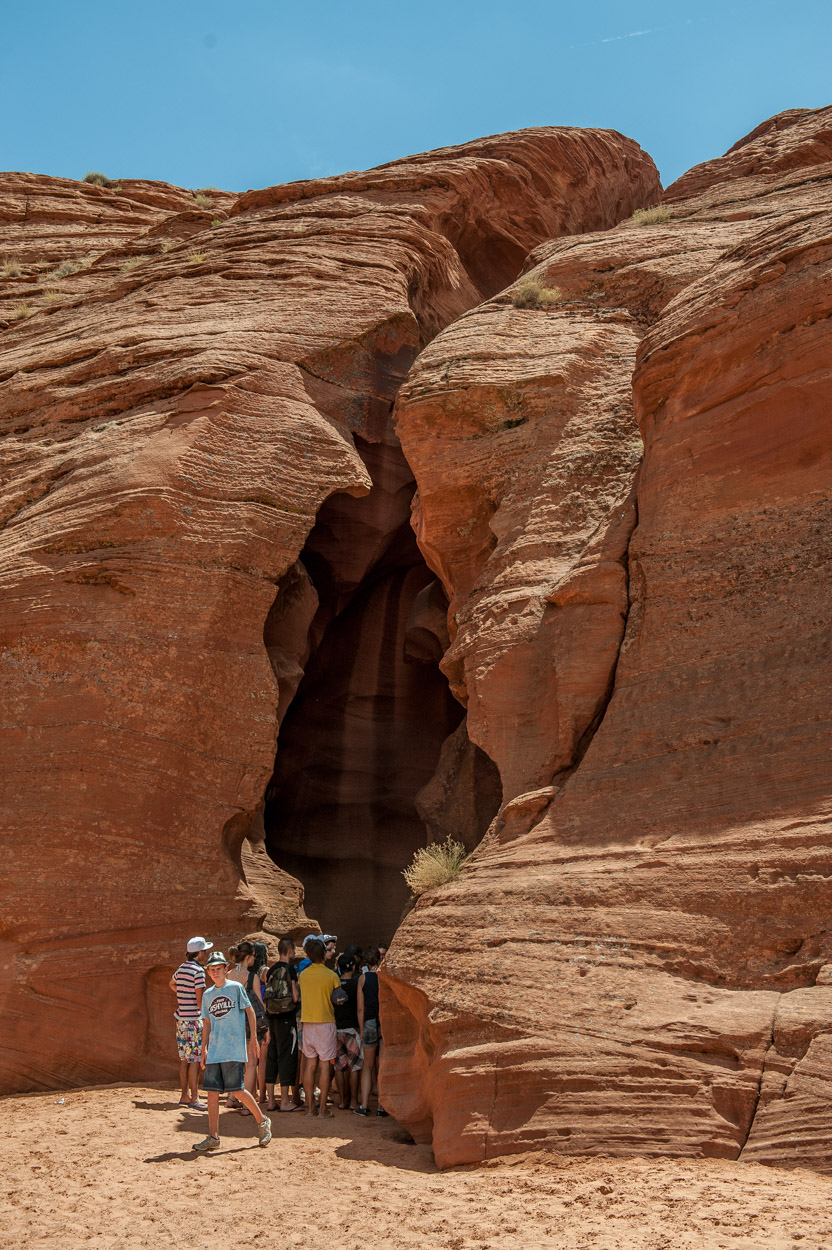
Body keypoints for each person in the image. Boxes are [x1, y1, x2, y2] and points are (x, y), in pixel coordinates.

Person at [193, 950, 272, 1152]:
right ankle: (213, 1137)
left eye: (218, 968)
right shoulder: (208, 995)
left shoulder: (236, 988)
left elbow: (250, 1012)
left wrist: (253, 1039)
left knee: (236, 1090)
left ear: (226, 969)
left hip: (234, 1048)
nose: (215, 972)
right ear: (208, 971)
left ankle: (262, 1121)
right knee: (212, 1093)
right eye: (212, 969)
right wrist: (203, 1048)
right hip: (215, 1050)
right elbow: (207, 1023)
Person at [298, 938, 340, 1118]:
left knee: (310, 1065)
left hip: (308, 1023)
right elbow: (338, 997)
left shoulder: (303, 975)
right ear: (323, 953)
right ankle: (323, 1109)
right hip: (326, 1022)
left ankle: (310, 1108)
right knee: (324, 1066)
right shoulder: (331, 975)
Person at [169, 936, 212, 1110]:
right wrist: (207, 1018)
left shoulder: (181, 968)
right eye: (205, 951)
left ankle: (184, 1096)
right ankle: (194, 1098)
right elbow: (200, 1000)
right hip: (194, 1020)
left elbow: (171, 983)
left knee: (184, 1059)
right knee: (195, 1060)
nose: (206, 954)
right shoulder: (198, 971)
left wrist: (182, 993)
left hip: (181, 1020)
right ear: (199, 952)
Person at [263, 936, 302, 1112]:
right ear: (290, 951)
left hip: (271, 1017)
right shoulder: (290, 969)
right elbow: (294, 997)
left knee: (272, 1056)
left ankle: (271, 1101)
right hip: (287, 1018)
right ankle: (285, 1101)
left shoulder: (271, 970)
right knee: (287, 1056)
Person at [354, 946, 387, 1117]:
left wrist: (361, 1029)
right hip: (384, 1022)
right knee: (382, 1065)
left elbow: (360, 1008)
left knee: (367, 1066)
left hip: (369, 1023)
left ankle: (364, 1105)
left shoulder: (363, 979)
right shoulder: (385, 977)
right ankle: (381, 1107)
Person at [333, 953, 363, 1110]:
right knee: (354, 1066)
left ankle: (342, 1101)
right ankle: (353, 1102)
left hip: (337, 1029)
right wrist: (361, 1029)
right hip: (352, 1029)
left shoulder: (335, 983)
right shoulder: (356, 984)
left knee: (339, 1066)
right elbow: (360, 1008)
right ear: (353, 967)